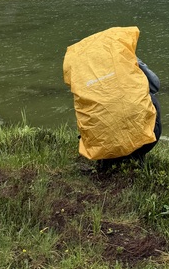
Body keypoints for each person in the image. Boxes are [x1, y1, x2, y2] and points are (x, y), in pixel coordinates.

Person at [63, 25, 161, 169]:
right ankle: (136, 154)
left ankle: (108, 159)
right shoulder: (122, 58)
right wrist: (136, 61)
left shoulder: (83, 72)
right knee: (148, 96)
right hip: (144, 143)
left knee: (89, 106)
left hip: (101, 148)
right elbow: (155, 85)